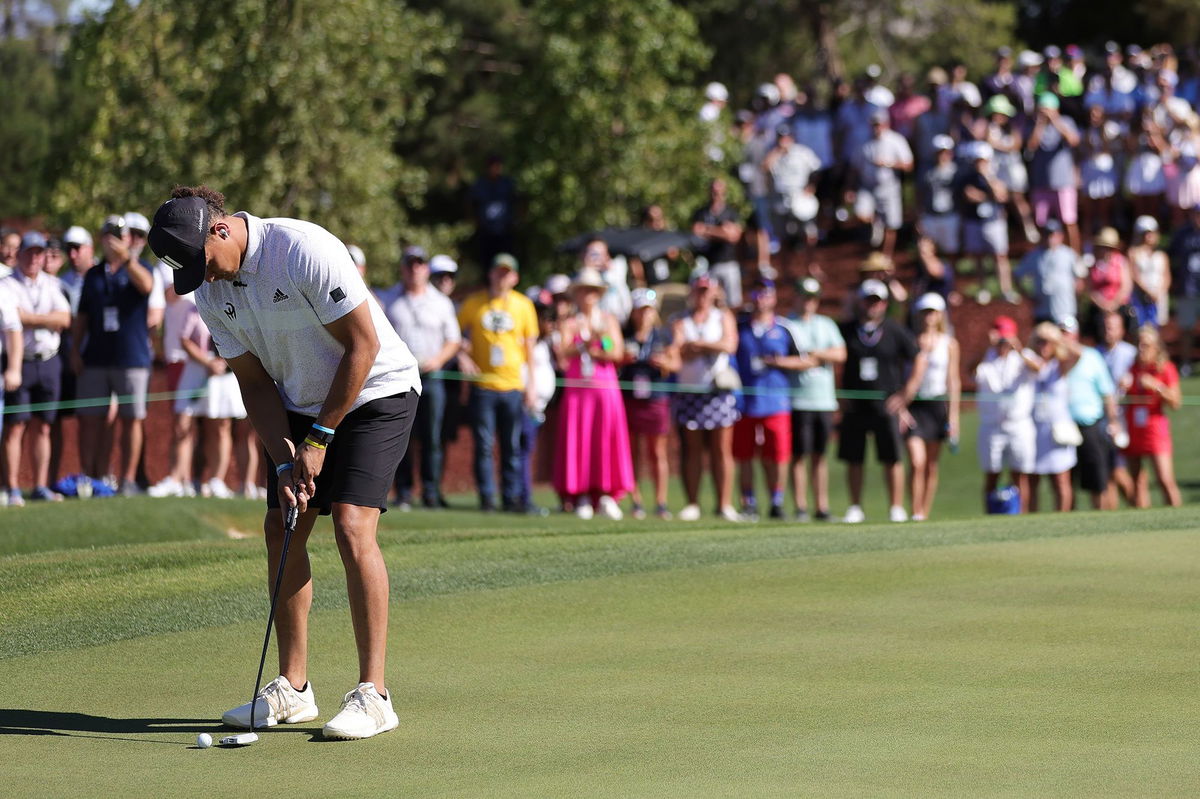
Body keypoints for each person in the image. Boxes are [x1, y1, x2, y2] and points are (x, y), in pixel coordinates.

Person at [147, 185, 421, 740]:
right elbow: (252, 381)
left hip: (377, 391)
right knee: (284, 525)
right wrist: (281, 462)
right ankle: (294, 689)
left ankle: (375, 695)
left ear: (219, 230)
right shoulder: (209, 291)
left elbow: (363, 346)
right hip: (298, 400)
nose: (207, 279)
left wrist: (319, 440)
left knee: (349, 522)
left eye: (204, 264)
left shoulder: (301, 249)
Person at [70, 214, 155, 495]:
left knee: (131, 419)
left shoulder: (140, 266)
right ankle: (89, 477)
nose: (114, 240)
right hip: (95, 357)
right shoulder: (94, 274)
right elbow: (81, 316)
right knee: (90, 418)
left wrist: (127, 258)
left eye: (120, 235)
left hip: (132, 358)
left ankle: (128, 479)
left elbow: (146, 286)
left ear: (129, 239)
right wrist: (75, 350)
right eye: (109, 234)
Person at [457, 253, 539, 512]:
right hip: (483, 385)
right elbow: (453, 334)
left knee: (511, 445)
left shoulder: (524, 305)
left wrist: (532, 385)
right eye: (498, 272)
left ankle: (511, 497)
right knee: (483, 445)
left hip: (513, 385)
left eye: (507, 273)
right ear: (491, 274)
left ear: (514, 277)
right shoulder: (475, 303)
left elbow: (530, 349)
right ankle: (487, 497)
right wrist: (462, 356)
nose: (502, 277)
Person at [551, 268, 634, 519]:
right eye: (583, 290)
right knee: (581, 438)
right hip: (579, 390)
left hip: (603, 387)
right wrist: (582, 344)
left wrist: (599, 344)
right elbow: (564, 352)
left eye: (592, 291)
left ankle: (606, 493)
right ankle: (582, 494)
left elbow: (615, 351)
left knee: (604, 438)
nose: (587, 295)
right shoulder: (570, 322)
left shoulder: (607, 320)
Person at [839, 279, 923, 524]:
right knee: (854, 457)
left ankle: (895, 507)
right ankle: (855, 506)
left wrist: (906, 393)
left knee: (892, 457)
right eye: (868, 301)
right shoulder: (846, 329)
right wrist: (839, 393)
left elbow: (918, 358)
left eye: (877, 301)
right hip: (855, 405)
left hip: (887, 405)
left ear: (885, 304)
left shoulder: (895, 330)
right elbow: (834, 359)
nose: (872, 306)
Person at [384, 246, 461, 510]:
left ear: (426, 269)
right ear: (403, 268)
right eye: (410, 264)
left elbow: (453, 339)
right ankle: (403, 491)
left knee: (432, 437)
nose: (415, 269)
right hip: (400, 377)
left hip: (432, 376)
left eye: (420, 264)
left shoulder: (441, 302)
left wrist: (438, 360)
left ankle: (430, 491)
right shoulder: (389, 299)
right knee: (401, 437)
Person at [1, 232, 71, 505]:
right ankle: (12, 488)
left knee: (43, 426)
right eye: (28, 253)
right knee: (15, 427)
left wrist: (31, 318)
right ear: (19, 255)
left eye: (38, 253)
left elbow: (64, 319)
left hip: (49, 360)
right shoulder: (6, 284)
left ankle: (40, 486)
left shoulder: (52, 284)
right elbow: (13, 320)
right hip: (19, 362)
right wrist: (46, 320)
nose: (33, 258)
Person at [668, 272, 740, 522]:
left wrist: (698, 345)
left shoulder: (723, 317)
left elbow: (729, 345)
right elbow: (678, 352)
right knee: (692, 450)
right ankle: (692, 503)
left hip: (718, 391)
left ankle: (724, 504)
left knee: (722, 450)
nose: (702, 295)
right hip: (690, 391)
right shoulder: (680, 320)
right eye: (699, 290)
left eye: (707, 290)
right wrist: (706, 345)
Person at [733, 280, 803, 520]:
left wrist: (779, 362)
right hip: (745, 402)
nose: (761, 298)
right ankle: (749, 502)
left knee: (777, 455)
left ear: (773, 298)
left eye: (766, 293)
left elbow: (802, 361)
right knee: (745, 455)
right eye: (757, 292)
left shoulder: (784, 328)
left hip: (776, 402)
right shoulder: (739, 326)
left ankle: (776, 501)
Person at [782, 277, 845, 522]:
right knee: (799, 455)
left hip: (823, 401)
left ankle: (822, 506)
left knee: (820, 455)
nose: (808, 302)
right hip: (798, 401)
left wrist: (814, 355)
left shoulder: (826, 324)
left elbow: (840, 353)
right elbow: (786, 359)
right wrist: (808, 360)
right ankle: (800, 507)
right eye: (804, 297)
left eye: (812, 298)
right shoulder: (787, 324)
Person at [173, 302, 244, 498]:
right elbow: (185, 340)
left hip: (225, 373)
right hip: (198, 371)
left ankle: (216, 480)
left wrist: (225, 362)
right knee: (183, 425)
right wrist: (207, 362)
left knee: (221, 427)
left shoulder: (234, 303)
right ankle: (180, 480)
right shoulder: (193, 309)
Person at [904, 293, 960, 522]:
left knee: (931, 465)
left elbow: (952, 380)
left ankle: (924, 513)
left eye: (933, 312)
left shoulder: (949, 344)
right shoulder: (910, 339)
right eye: (925, 312)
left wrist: (953, 417)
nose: (929, 316)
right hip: (915, 405)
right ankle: (915, 510)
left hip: (937, 406)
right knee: (916, 461)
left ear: (940, 315)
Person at [975, 316, 1039, 514]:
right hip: (992, 425)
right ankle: (990, 514)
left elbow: (1038, 368)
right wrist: (986, 348)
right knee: (992, 473)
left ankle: (1021, 513)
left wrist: (1018, 350)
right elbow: (970, 370)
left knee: (1020, 474)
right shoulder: (986, 356)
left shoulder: (1022, 355)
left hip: (1018, 424)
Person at [620, 288, 674, 520]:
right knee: (632, 452)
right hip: (630, 398)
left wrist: (664, 362)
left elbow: (675, 363)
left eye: (648, 311)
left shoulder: (662, 336)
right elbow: (612, 358)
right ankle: (636, 501)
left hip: (656, 398)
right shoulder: (626, 336)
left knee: (656, 452)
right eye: (640, 311)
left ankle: (661, 502)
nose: (644, 315)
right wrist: (622, 358)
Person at [1121, 327, 1182, 507]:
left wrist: (1157, 386)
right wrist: (1122, 387)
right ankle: (1142, 521)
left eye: (1146, 345)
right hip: (1134, 428)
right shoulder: (1132, 368)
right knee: (1137, 481)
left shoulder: (1165, 368)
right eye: (1139, 344)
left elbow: (1176, 402)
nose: (1141, 348)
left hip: (1155, 428)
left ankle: (1177, 517)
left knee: (1165, 479)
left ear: (1156, 347)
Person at [1064, 322, 1121, 509]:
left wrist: (1113, 421)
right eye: (1062, 333)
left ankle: (1102, 524)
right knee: (1066, 483)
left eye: (1068, 333)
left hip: (1090, 425)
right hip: (1063, 428)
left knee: (1097, 481)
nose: (1065, 337)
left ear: (1076, 334)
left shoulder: (1091, 356)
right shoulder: (1053, 358)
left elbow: (1107, 393)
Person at [1027, 323, 1081, 513]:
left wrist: (1059, 338)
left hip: (1057, 430)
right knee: (1031, 481)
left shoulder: (1059, 365)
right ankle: (1030, 521)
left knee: (1060, 480)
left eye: (1047, 342)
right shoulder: (1030, 363)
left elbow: (1077, 353)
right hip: (1034, 429)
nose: (1044, 346)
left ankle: (1062, 519)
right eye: (1040, 341)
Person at [849, 110, 913, 263]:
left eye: (879, 124)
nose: (877, 128)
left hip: (889, 187)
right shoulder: (864, 143)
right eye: (874, 125)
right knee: (861, 214)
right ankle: (874, 233)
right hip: (868, 187)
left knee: (891, 224)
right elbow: (855, 168)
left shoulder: (896, 140)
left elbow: (909, 164)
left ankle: (886, 257)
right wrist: (850, 187)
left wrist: (888, 164)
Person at [957, 142, 1016, 305]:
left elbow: (1001, 195)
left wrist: (988, 180)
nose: (980, 164)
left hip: (994, 222)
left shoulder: (996, 174)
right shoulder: (966, 177)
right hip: (974, 221)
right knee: (978, 257)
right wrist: (989, 196)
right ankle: (983, 289)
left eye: (982, 160)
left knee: (1000, 256)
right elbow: (968, 195)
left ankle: (1006, 290)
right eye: (977, 160)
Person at [1026, 93, 1081, 253]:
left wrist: (1055, 120)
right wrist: (1040, 124)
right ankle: (1043, 256)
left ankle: (1075, 256)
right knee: (1041, 223)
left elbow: (1073, 140)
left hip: (1063, 183)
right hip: (1041, 183)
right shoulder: (1034, 125)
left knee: (1068, 221)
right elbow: (1030, 146)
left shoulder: (1066, 122)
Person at [690, 178, 744, 309]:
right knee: (709, 301)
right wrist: (722, 231)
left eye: (719, 191)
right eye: (714, 191)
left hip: (728, 263)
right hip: (709, 264)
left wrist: (707, 230)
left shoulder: (731, 213)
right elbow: (696, 230)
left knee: (733, 303)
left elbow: (733, 236)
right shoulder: (701, 212)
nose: (716, 194)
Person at [1014, 219, 1078, 327]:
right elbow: (1017, 275)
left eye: (1052, 235)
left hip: (1065, 310)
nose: (1049, 238)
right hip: (1042, 311)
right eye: (1046, 234)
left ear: (1060, 236)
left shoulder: (1069, 254)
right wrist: (1027, 296)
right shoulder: (1033, 256)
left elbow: (1080, 279)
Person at [469, 154, 518, 269]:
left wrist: (517, 220)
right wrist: (473, 220)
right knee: (486, 260)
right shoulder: (480, 184)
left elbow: (518, 200)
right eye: (493, 166)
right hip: (486, 230)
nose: (495, 168)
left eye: (498, 165)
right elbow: (470, 202)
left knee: (506, 259)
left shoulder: (507, 183)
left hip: (505, 230)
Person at [1169, 205, 1200, 376]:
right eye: (1196, 214)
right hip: (1187, 288)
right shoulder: (1182, 234)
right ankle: (1186, 363)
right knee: (1186, 328)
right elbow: (1171, 256)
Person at [917, 135, 960, 257]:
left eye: (945, 152)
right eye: (939, 152)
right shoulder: (926, 171)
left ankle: (950, 275)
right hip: (930, 216)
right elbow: (920, 193)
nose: (942, 156)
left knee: (951, 251)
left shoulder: (956, 170)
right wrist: (919, 215)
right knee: (927, 251)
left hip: (950, 215)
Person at [1087, 227, 1133, 337]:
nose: (1104, 250)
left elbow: (1126, 286)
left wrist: (1113, 305)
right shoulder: (1093, 265)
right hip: (1099, 309)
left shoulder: (1121, 262)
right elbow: (1090, 289)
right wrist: (1102, 305)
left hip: (1120, 306)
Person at [1126, 216, 1170, 329]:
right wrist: (1148, 292)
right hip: (1141, 299)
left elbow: (1167, 277)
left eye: (1151, 233)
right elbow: (1133, 275)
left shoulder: (1162, 255)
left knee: (1157, 330)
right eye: (1145, 233)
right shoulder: (1133, 253)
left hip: (1158, 298)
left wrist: (1159, 293)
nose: (1148, 236)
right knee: (1140, 328)